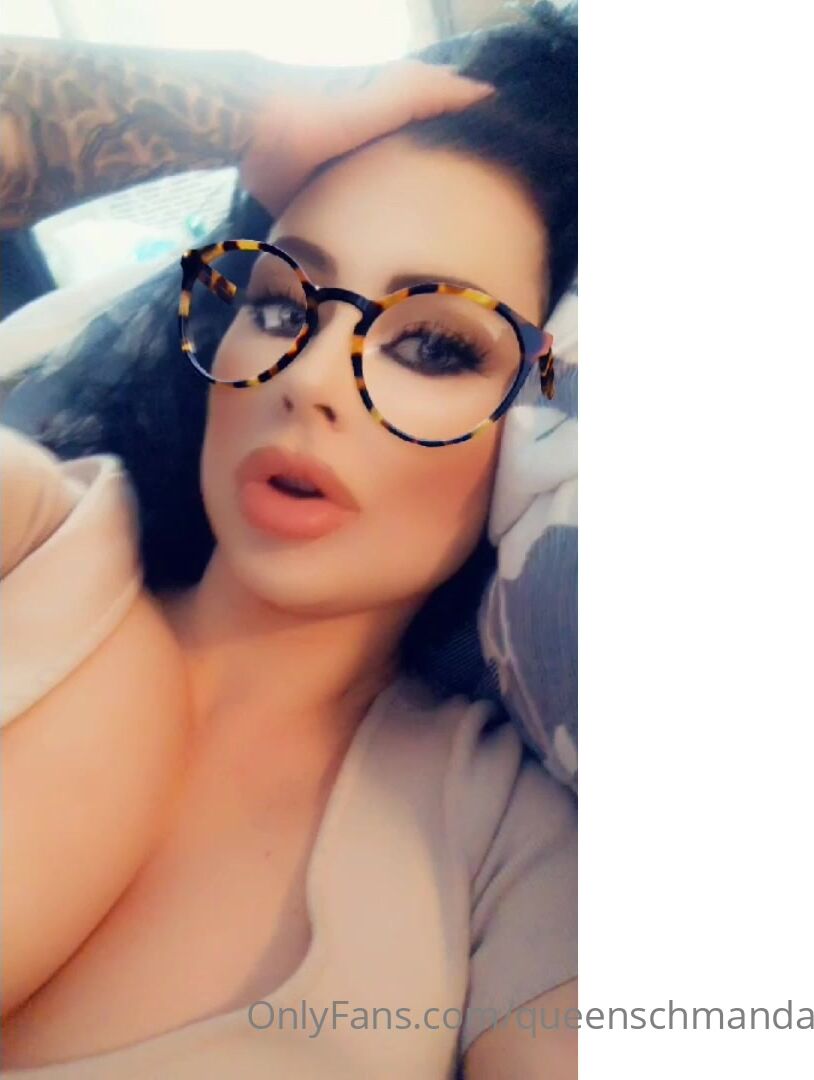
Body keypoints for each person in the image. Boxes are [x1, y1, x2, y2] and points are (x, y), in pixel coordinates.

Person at [0, 4, 578, 1077]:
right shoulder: (36, 536)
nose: (306, 377)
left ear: (553, 413)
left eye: (433, 346)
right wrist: (244, 112)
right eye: (278, 307)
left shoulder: (515, 852)